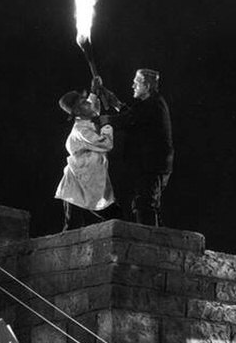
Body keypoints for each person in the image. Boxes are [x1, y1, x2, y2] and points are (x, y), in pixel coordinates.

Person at [96, 68, 173, 227]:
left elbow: (129, 119)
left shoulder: (153, 105)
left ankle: (149, 238)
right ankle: (153, 235)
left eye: (136, 83)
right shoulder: (151, 103)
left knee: (144, 204)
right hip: (150, 165)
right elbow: (134, 116)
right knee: (147, 202)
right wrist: (115, 103)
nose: (133, 86)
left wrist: (101, 120)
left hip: (152, 166)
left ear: (147, 86)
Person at [53, 89, 115, 232]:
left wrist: (94, 92)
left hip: (87, 177)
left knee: (108, 212)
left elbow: (92, 110)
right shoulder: (81, 131)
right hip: (79, 180)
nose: (89, 103)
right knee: (73, 224)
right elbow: (106, 143)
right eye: (83, 102)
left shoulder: (86, 118)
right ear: (77, 111)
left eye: (87, 100)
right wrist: (106, 125)